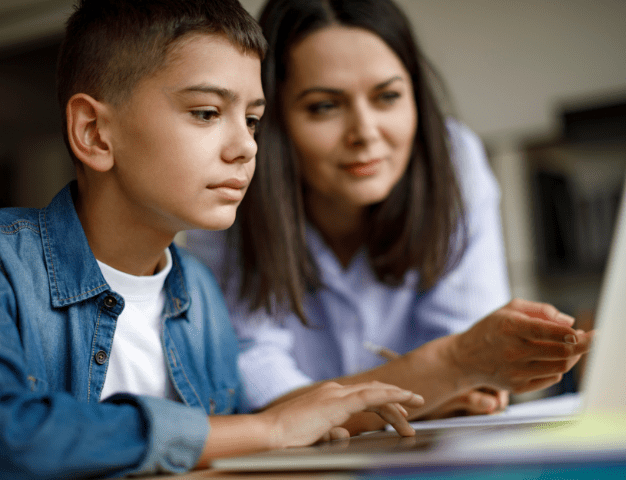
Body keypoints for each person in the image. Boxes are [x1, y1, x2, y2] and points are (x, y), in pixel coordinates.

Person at [0, 0, 429, 478]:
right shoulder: (7, 268)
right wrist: (267, 430)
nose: (246, 146)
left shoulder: (201, 293)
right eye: (206, 113)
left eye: (252, 120)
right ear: (96, 133)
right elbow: (13, 436)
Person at [185, 0, 593, 432]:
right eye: (324, 106)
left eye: (388, 97)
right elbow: (258, 395)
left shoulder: (452, 160)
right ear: (272, 119)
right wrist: (442, 377)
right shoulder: (231, 185)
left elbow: (479, 381)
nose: (365, 132)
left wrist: (447, 375)